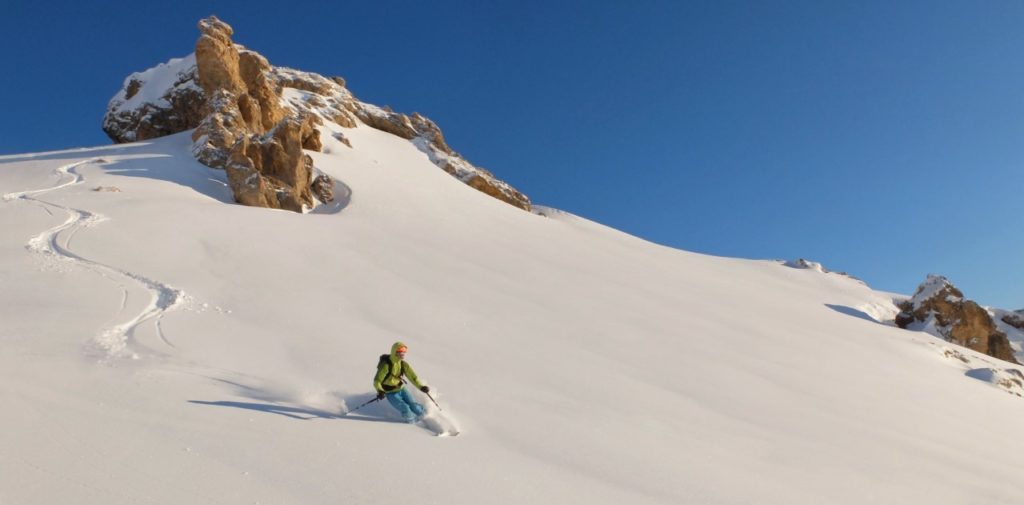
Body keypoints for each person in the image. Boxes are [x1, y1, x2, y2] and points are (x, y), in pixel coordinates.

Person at [373, 341, 430, 423]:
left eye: (404, 352)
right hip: (390, 393)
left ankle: (426, 418)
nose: (403, 354)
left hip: (401, 389)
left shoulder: (403, 364)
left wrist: (421, 387)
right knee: (405, 408)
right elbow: (377, 381)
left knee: (414, 406)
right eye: (400, 351)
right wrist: (380, 391)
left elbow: (413, 377)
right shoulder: (386, 365)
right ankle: (414, 424)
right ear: (395, 352)